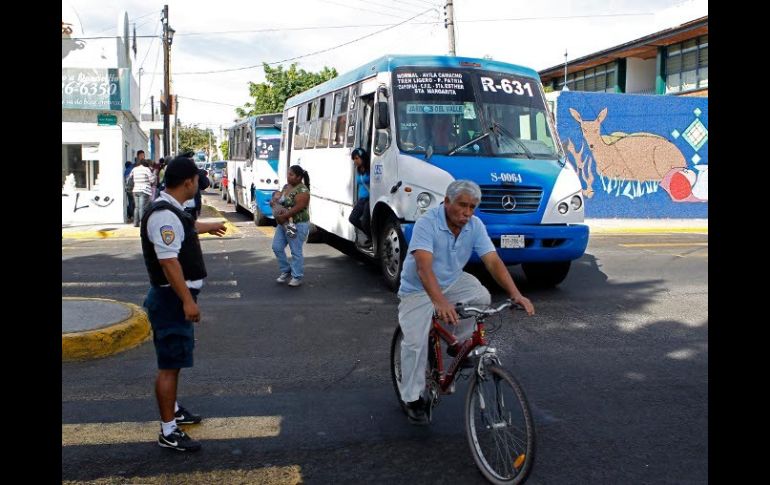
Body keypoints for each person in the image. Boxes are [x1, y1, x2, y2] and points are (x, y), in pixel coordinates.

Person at [396, 180, 535, 425]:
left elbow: (492, 261)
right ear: (447, 201)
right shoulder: (427, 223)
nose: (467, 213)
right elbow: (423, 268)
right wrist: (439, 302)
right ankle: (412, 398)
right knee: (415, 344)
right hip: (418, 288)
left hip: (452, 281)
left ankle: (458, 342)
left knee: (480, 296)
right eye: (462, 205)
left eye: (472, 207)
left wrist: (516, 293)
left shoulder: (475, 226)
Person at [140, 155, 227, 452]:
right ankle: (168, 431)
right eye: (196, 183)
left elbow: (185, 228)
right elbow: (169, 263)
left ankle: (173, 411)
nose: (198, 188)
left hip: (172, 299)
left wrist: (208, 226)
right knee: (169, 366)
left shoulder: (172, 209)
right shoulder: (164, 215)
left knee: (174, 363)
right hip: (171, 301)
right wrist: (188, 302)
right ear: (188, 182)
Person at [271, 165, 310, 287]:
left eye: (291, 175)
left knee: (295, 251)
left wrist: (284, 215)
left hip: (296, 224)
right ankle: (286, 269)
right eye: (288, 174)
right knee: (277, 247)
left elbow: (298, 207)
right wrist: (274, 201)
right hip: (283, 224)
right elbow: (280, 200)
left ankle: (297, 276)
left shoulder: (303, 191)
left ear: (299, 177)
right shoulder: (286, 187)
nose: (288, 177)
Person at [348, 148, 371, 246]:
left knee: (365, 222)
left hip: (369, 199)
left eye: (357, 158)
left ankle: (372, 239)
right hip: (361, 199)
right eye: (354, 159)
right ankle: (371, 236)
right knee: (352, 218)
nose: (355, 161)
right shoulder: (358, 170)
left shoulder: (371, 168)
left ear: (362, 157)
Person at [129, 155, 155, 227]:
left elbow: (130, 177)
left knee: (136, 207)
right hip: (144, 190)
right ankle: (142, 223)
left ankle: (135, 223)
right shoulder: (146, 169)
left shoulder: (134, 169)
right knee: (142, 207)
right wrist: (153, 176)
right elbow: (152, 180)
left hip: (135, 190)